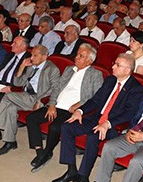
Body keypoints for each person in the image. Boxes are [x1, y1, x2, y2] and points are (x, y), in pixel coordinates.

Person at [52, 53, 143, 182]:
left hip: (114, 125)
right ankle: (71, 170)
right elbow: (95, 101)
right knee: (67, 127)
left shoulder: (135, 88)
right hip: (97, 118)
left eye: (117, 65)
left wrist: (108, 123)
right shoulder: (110, 80)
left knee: (92, 137)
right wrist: (80, 111)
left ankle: (83, 178)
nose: (113, 67)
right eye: (114, 63)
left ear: (127, 70)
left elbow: (130, 113)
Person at [27, 44, 104, 172]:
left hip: (70, 110)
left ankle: (48, 151)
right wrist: (52, 104)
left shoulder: (95, 74)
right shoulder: (69, 69)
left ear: (89, 61)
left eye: (81, 56)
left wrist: (79, 104)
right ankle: (40, 151)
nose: (77, 57)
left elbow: (96, 96)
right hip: (56, 105)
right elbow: (57, 88)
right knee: (31, 118)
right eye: (77, 54)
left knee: (55, 127)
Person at [0, 44, 61, 155]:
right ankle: (10, 141)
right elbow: (17, 83)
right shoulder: (31, 66)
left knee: (8, 96)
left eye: (35, 55)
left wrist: (40, 101)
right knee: (11, 108)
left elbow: (55, 89)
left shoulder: (52, 69)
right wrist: (22, 66)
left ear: (44, 57)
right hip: (26, 95)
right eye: (31, 54)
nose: (31, 58)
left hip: (38, 98)